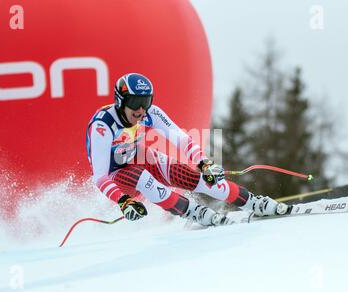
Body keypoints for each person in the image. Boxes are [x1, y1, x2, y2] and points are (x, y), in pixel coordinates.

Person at [86, 73, 289, 226]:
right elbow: (100, 177)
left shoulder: (150, 113)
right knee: (143, 178)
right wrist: (123, 201)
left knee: (193, 176)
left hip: (136, 156)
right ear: (120, 101)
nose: (141, 110)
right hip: (117, 177)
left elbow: (181, 139)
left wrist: (204, 162)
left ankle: (253, 202)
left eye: (146, 102)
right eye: (135, 103)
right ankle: (193, 212)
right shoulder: (103, 126)